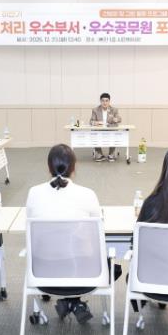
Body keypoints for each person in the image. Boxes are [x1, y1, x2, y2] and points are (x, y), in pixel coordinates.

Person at [25, 144, 106, 323]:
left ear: (48, 167)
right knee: (103, 259)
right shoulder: (88, 194)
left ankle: (70, 302)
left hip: (43, 274)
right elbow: (97, 230)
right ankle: (74, 302)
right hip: (83, 275)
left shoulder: (34, 193)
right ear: (74, 167)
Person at [89, 93, 122, 162]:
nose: (105, 103)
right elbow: (91, 121)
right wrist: (96, 122)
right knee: (94, 133)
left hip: (110, 129)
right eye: (103, 101)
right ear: (100, 101)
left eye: (107, 101)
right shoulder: (95, 110)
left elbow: (119, 119)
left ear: (109, 101)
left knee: (114, 133)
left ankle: (111, 154)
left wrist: (116, 119)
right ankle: (100, 154)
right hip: (99, 129)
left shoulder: (114, 109)